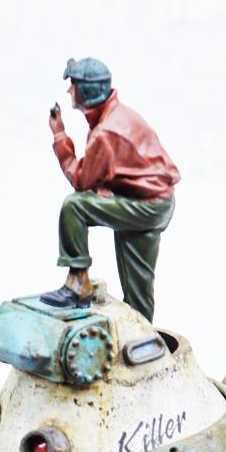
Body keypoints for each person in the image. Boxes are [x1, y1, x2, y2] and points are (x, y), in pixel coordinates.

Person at [41, 58, 180, 323]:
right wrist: (105, 185)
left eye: (73, 85)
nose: (69, 90)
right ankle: (141, 337)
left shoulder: (106, 132)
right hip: (151, 199)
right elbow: (125, 162)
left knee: (75, 206)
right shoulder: (117, 116)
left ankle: (77, 283)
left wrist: (59, 136)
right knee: (138, 292)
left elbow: (80, 180)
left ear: (86, 91)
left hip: (145, 206)